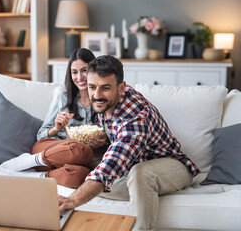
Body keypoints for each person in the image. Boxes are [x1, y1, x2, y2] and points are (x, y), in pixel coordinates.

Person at [58, 55, 200, 231]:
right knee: (89, 177)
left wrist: (73, 200)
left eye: (105, 88)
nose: (96, 95)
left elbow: (113, 162)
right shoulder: (107, 102)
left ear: (121, 87)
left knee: (139, 174)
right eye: (92, 87)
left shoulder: (136, 115)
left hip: (173, 167)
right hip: (132, 168)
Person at [0, 48, 108, 189]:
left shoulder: (103, 101)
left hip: (73, 161)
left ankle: (32, 176)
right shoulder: (62, 97)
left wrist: (103, 141)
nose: (79, 77)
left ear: (94, 71)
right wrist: (56, 128)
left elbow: (113, 138)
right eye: (74, 72)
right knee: (81, 150)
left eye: (84, 70)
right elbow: (40, 135)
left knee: (81, 175)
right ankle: (29, 161)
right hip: (48, 150)